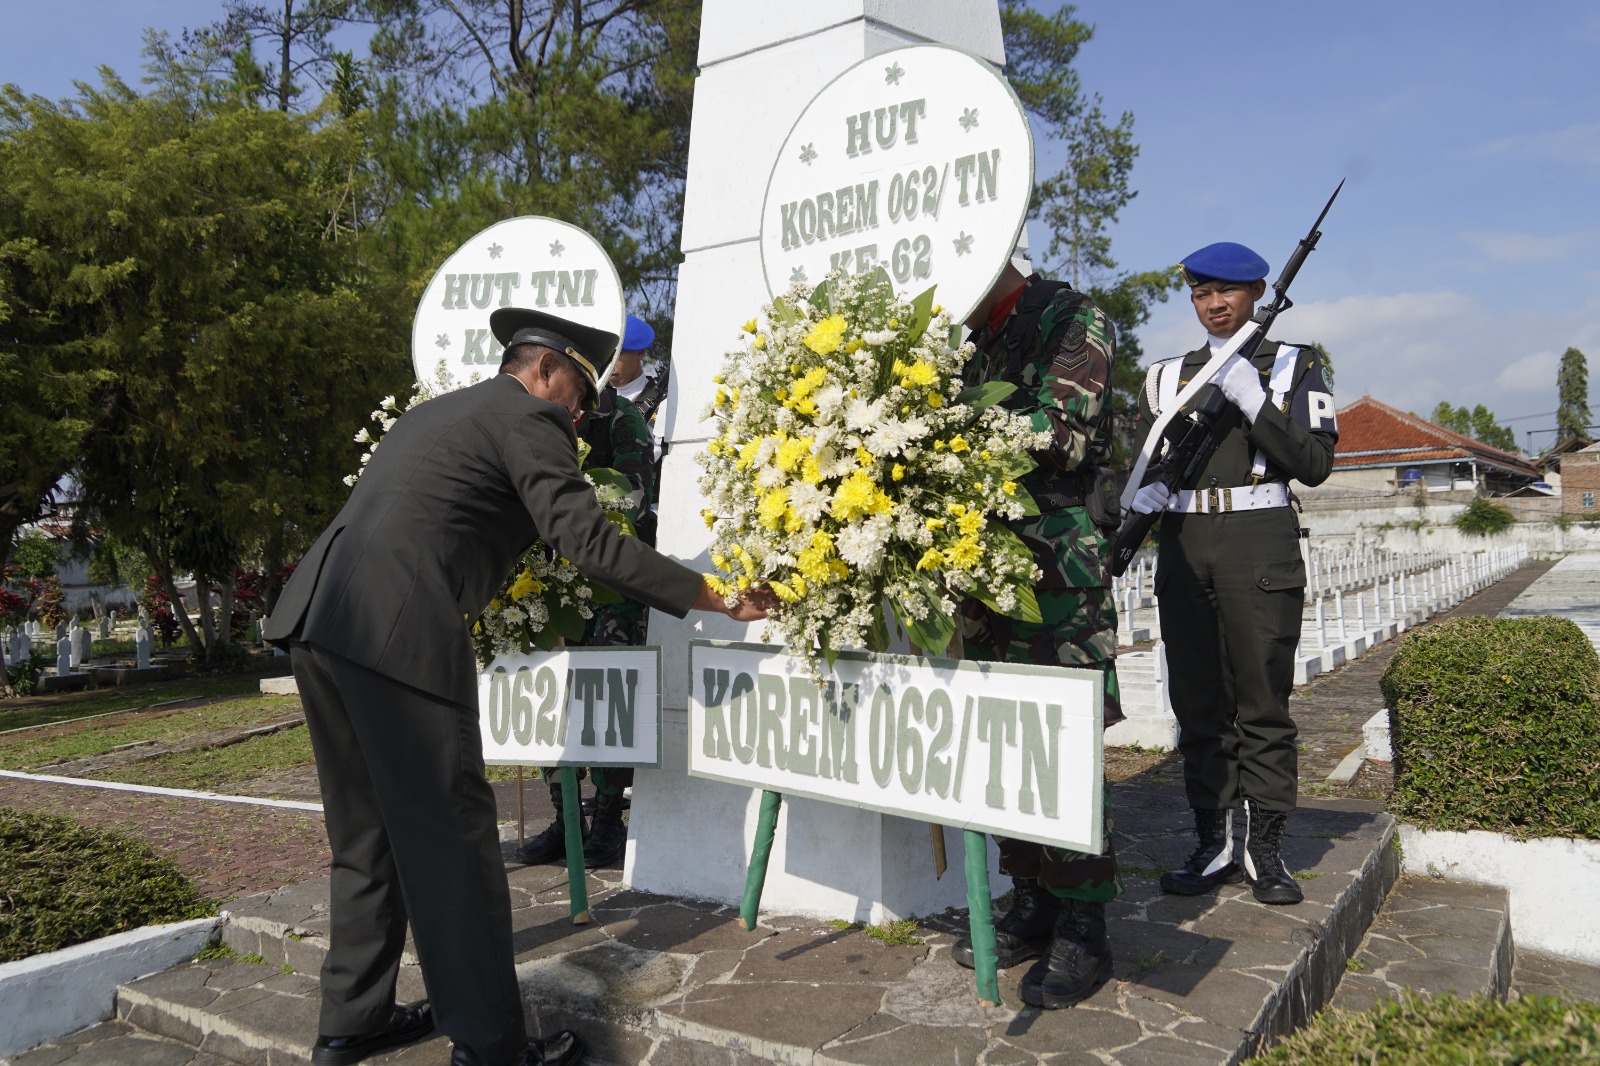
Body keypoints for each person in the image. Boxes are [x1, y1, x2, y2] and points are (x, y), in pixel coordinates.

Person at [264, 307, 768, 1066]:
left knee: (366, 838)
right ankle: (492, 1048)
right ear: (544, 368)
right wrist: (715, 595)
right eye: (582, 393)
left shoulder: (445, 411)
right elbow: (588, 542)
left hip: (320, 620)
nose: (583, 412)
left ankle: (352, 1021)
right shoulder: (531, 418)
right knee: (453, 846)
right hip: (396, 634)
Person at [1128, 241, 1338, 906]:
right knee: (1198, 705)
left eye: (1228, 291)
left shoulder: (1294, 366)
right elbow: (1137, 464)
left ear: (1256, 293)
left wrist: (1255, 403)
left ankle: (1266, 849)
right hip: (1185, 542)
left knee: (1262, 704)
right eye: (1200, 293)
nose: (1214, 305)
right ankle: (1212, 841)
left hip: (1260, 540)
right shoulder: (1166, 377)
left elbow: (1313, 463)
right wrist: (1144, 494)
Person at [950, 263, 1124, 1010]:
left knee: (1058, 747)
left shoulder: (1071, 317)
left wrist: (951, 426)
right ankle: (1032, 897)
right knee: (999, 744)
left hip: (1055, 574)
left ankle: (1085, 923)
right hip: (984, 574)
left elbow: (1065, 435)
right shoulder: (967, 337)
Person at [514, 347, 656, 870]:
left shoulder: (624, 420)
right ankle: (565, 814)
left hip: (611, 586)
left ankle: (606, 821)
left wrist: (567, 502)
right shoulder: (537, 421)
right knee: (550, 699)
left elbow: (632, 497)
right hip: (547, 583)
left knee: (608, 701)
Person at [606, 314, 669, 546]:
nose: (611, 363)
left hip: (648, 522)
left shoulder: (663, 403)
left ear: (640, 353)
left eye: (619, 354)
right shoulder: (587, 399)